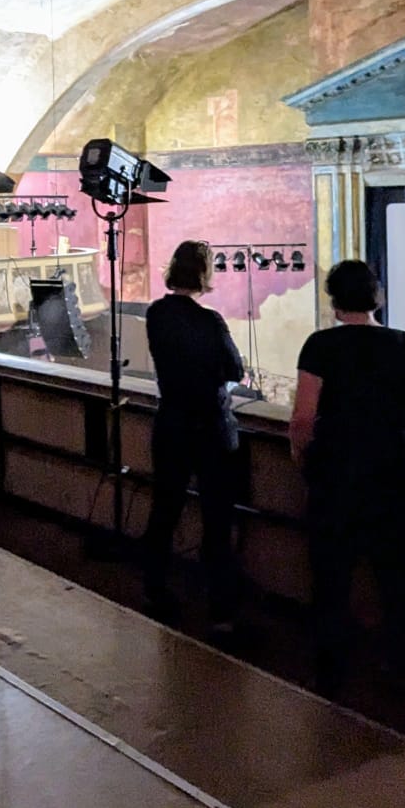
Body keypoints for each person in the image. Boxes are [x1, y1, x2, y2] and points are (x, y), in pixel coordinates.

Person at [289, 258, 405, 692]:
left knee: (331, 572)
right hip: (392, 471)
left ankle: (331, 667)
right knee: (396, 572)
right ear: (376, 298)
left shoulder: (320, 346)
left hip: (336, 471)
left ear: (334, 301)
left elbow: (303, 417)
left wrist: (302, 456)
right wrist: (397, 433)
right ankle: (401, 665)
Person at [141, 241, 247, 629]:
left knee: (164, 511)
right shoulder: (210, 321)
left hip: (171, 423)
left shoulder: (156, 314)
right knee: (217, 520)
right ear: (204, 274)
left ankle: (155, 590)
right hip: (210, 429)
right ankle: (220, 610)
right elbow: (235, 370)